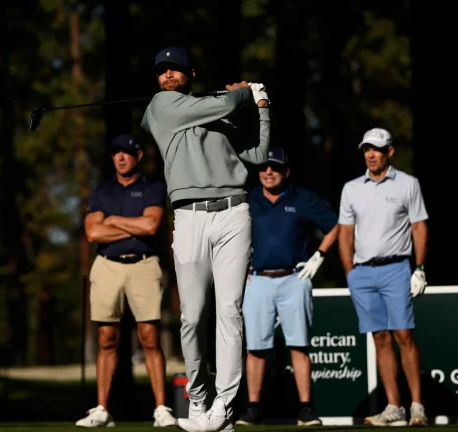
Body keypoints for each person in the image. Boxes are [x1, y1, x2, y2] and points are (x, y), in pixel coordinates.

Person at [140, 46, 271, 432]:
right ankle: (199, 398)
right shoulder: (161, 107)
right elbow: (226, 103)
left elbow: (259, 154)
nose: (167, 75)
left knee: (230, 311)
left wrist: (261, 107)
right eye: (161, 70)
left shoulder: (224, 114)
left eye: (175, 69)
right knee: (192, 317)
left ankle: (225, 407)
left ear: (190, 73)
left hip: (233, 213)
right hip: (189, 217)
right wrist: (245, 93)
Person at [77, 134, 176, 428]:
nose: (121, 158)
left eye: (127, 153)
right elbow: (93, 234)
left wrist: (113, 220)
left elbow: (151, 225)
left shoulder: (153, 187)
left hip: (143, 265)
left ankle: (161, 408)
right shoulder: (101, 192)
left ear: (139, 156)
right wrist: (132, 226)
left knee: (149, 337)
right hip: (107, 266)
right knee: (107, 339)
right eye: (116, 153)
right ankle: (101, 410)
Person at [235, 148, 338, 427]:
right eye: (264, 168)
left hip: (295, 278)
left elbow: (335, 226)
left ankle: (306, 408)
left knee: (299, 344)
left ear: (286, 172)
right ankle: (253, 407)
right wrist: (238, 268)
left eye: (275, 168)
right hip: (256, 279)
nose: (269, 172)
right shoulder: (248, 200)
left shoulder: (301, 198)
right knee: (255, 347)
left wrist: (320, 256)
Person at [337, 128, 429, 426]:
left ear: (390, 152)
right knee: (380, 338)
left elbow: (419, 227)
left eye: (377, 149)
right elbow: (345, 234)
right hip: (362, 273)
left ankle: (416, 406)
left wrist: (420, 267)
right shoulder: (351, 188)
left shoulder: (408, 184)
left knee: (404, 334)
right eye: (366, 149)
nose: (371, 154)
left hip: (396, 268)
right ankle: (394, 407)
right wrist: (350, 273)